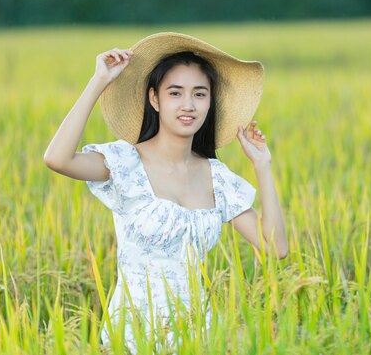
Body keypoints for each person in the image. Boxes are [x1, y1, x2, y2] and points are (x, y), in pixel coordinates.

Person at [43, 32, 288, 353]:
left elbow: (275, 248)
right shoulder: (125, 163)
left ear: (210, 102)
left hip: (199, 338)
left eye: (200, 94)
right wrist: (98, 81)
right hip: (130, 339)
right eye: (176, 93)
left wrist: (262, 165)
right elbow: (57, 159)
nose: (188, 105)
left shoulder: (217, 178)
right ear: (155, 99)